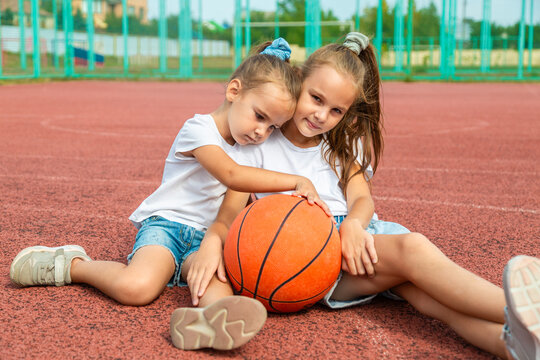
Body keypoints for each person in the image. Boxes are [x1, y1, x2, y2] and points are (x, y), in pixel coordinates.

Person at [193, 33, 540, 359]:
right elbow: (229, 212)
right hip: (313, 258)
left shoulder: (341, 145)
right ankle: (520, 307)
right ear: (298, 81)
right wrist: (213, 239)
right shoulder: (257, 146)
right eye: (315, 98)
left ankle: (513, 345)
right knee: (413, 248)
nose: (321, 116)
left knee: (427, 297)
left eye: (336, 111)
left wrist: (354, 227)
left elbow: (362, 199)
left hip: (358, 239)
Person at [9, 38, 332, 351]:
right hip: (166, 227)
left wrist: (213, 243)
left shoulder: (250, 149)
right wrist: (296, 180)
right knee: (136, 288)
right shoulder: (198, 129)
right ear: (234, 91)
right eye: (260, 116)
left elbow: (229, 210)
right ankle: (71, 264)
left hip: (204, 239)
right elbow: (230, 174)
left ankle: (207, 324)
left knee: (217, 288)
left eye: (273, 127)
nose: (262, 132)